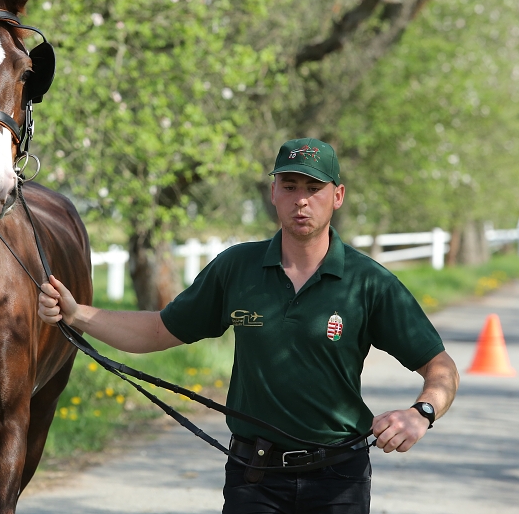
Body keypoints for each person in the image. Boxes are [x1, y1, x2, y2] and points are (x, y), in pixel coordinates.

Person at [38, 137, 459, 514]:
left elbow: (440, 368)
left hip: (339, 479)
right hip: (254, 476)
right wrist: (77, 314)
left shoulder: (368, 282)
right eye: (290, 187)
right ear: (273, 192)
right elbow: (157, 330)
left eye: (314, 189)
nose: (302, 201)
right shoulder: (236, 268)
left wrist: (421, 413)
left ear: (338, 195)